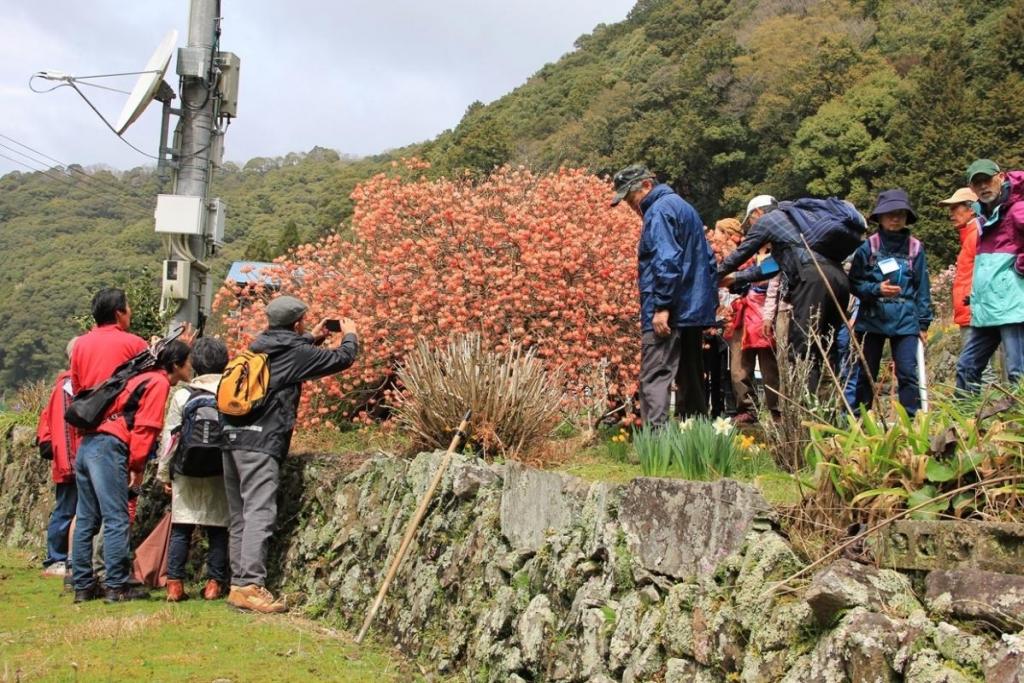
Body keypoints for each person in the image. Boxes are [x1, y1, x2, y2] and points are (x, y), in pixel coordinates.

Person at [221, 296, 359, 613]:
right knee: (259, 512)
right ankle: (252, 586)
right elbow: (342, 358)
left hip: (230, 440)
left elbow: (289, 354)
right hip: (260, 443)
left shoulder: (256, 347)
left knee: (240, 515)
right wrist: (349, 334)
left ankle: (239, 584)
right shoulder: (295, 352)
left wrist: (313, 336)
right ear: (296, 323)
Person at [71, 339, 192, 603]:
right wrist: (136, 467)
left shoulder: (140, 377)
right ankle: (116, 586)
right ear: (176, 365)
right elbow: (145, 429)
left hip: (89, 444)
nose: (191, 366)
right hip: (110, 448)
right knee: (116, 518)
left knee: (87, 518)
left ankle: (82, 586)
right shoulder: (158, 382)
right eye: (188, 361)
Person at [610, 165, 718, 425]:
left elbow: (666, 260)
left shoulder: (658, 211)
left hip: (668, 311)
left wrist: (662, 306)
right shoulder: (684, 208)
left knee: (655, 376)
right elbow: (709, 261)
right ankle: (695, 439)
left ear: (646, 186)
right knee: (690, 378)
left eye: (629, 197)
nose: (629, 205)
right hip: (692, 311)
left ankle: (656, 443)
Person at [720, 194, 860, 394]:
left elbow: (741, 253)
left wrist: (713, 275)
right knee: (826, 348)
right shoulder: (796, 227)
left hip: (813, 280)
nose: (751, 226)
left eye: (750, 220)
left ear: (757, 212)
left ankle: (807, 417)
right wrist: (736, 278)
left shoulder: (769, 219)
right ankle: (830, 412)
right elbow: (770, 268)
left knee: (803, 349)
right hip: (837, 280)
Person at [157, 337, 232, 602]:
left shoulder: (183, 395)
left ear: (195, 364)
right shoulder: (229, 392)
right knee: (218, 527)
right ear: (225, 363)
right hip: (219, 470)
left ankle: (175, 586)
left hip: (187, 468)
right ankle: (214, 586)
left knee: (182, 526)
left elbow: (171, 438)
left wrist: (164, 473)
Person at [849, 189, 932, 416]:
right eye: (889, 214)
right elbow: (854, 283)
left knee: (907, 372)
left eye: (900, 214)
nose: (895, 219)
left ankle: (912, 422)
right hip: (872, 318)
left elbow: (923, 287)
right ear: (880, 217)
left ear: (907, 217)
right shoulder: (869, 247)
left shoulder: (915, 248)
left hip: (906, 319)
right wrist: (877, 290)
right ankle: (860, 420)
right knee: (866, 372)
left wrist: (923, 324)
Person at [954, 160, 1024, 393]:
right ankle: (967, 425)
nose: (984, 186)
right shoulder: (984, 215)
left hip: (1013, 307)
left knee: (1018, 372)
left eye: (987, 179)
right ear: (971, 188)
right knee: (967, 367)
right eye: (977, 183)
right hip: (988, 308)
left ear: (1001, 177)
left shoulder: (1017, 209)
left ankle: (1017, 426)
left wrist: (1020, 266)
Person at [36, 337, 82, 578]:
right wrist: (70, 464)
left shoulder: (64, 385)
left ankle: (62, 558)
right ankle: (56, 558)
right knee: (66, 510)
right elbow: (66, 431)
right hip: (70, 461)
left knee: (68, 510)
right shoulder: (68, 386)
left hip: (69, 459)